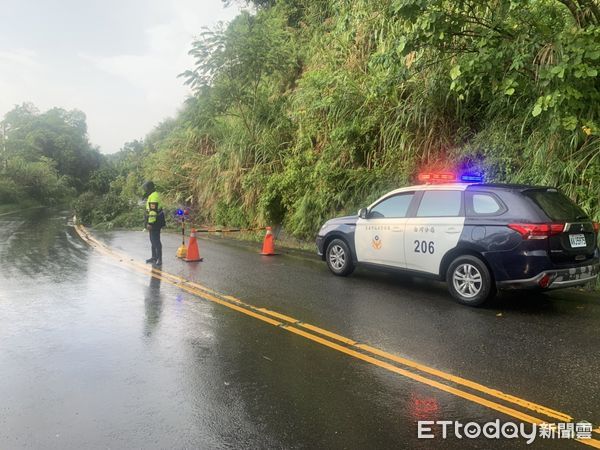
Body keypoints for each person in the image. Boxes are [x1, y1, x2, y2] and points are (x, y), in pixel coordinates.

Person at [142, 181, 165, 266]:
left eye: (146, 188)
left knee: (156, 240)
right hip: (154, 220)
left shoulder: (154, 196)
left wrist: (150, 223)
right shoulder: (152, 195)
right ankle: (154, 257)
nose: (145, 190)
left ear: (150, 188)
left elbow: (153, 211)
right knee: (152, 240)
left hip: (155, 221)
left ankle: (159, 259)